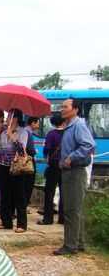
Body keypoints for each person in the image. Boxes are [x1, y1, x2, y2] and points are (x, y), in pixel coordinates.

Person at [53, 98, 96, 255]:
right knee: (74, 210)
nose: (62, 109)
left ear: (75, 110)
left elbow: (89, 145)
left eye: (65, 106)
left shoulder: (78, 125)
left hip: (75, 172)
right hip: (70, 172)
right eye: (62, 106)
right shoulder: (70, 126)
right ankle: (79, 244)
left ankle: (70, 246)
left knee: (71, 210)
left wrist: (71, 157)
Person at [0, 109, 31, 233]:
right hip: (3, 165)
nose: (6, 117)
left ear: (15, 118)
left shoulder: (23, 132)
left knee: (18, 194)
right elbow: (0, 150)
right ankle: (6, 222)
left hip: (16, 166)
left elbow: (22, 149)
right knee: (4, 194)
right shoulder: (3, 132)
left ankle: (21, 224)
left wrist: (12, 137)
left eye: (9, 115)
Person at [38, 113, 65, 225]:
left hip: (54, 165)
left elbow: (47, 148)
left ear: (53, 122)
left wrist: (46, 156)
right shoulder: (68, 133)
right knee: (64, 192)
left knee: (50, 191)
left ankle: (48, 219)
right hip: (65, 166)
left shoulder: (51, 134)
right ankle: (62, 218)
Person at [24, 117, 40, 208]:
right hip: (27, 162)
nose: (38, 126)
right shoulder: (28, 133)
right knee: (28, 185)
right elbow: (30, 149)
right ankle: (23, 207)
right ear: (32, 123)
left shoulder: (23, 131)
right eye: (37, 124)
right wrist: (34, 151)